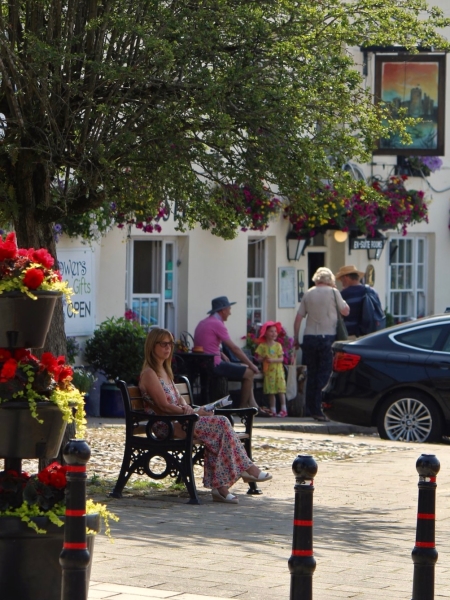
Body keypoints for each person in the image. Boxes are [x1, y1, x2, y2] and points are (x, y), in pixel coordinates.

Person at [139, 327, 272, 504]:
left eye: (170, 344)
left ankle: (221, 489)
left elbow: (180, 401)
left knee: (217, 433)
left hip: (181, 420)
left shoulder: (166, 371)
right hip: (166, 425)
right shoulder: (149, 373)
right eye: (163, 344)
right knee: (221, 423)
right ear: (152, 346)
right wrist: (193, 412)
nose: (168, 348)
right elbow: (164, 406)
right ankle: (246, 470)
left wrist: (196, 410)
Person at [293, 267, 349, 421]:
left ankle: (311, 408)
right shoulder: (333, 292)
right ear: (330, 280)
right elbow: (345, 311)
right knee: (324, 374)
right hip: (327, 337)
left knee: (311, 373)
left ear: (316, 279)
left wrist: (296, 338)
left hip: (309, 337)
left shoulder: (308, 293)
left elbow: (298, 318)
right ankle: (320, 408)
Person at [194, 296, 261, 410]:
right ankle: (243, 407)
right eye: (229, 309)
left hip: (204, 363)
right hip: (215, 365)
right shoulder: (217, 324)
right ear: (223, 310)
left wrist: (221, 353)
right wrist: (252, 364)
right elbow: (234, 348)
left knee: (245, 368)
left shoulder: (204, 322)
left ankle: (253, 404)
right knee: (249, 373)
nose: (230, 313)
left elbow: (208, 344)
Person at [335, 265, 383, 337]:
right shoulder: (372, 291)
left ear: (346, 278)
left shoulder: (344, 294)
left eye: (341, 280)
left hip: (352, 335)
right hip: (371, 335)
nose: (342, 283)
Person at [255, 321, 288, 417]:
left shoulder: (278, 345)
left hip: (278, 371)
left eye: (275, 331)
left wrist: (273, 360)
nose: (274, 333)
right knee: (271, 391)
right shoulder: (262, 346)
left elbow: (281, 358)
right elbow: (259, 358)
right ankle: (273, 409)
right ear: (265, 333)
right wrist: (263, 358)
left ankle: (283, 409)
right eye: (271, 331)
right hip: (268, 372)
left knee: (280, 390)